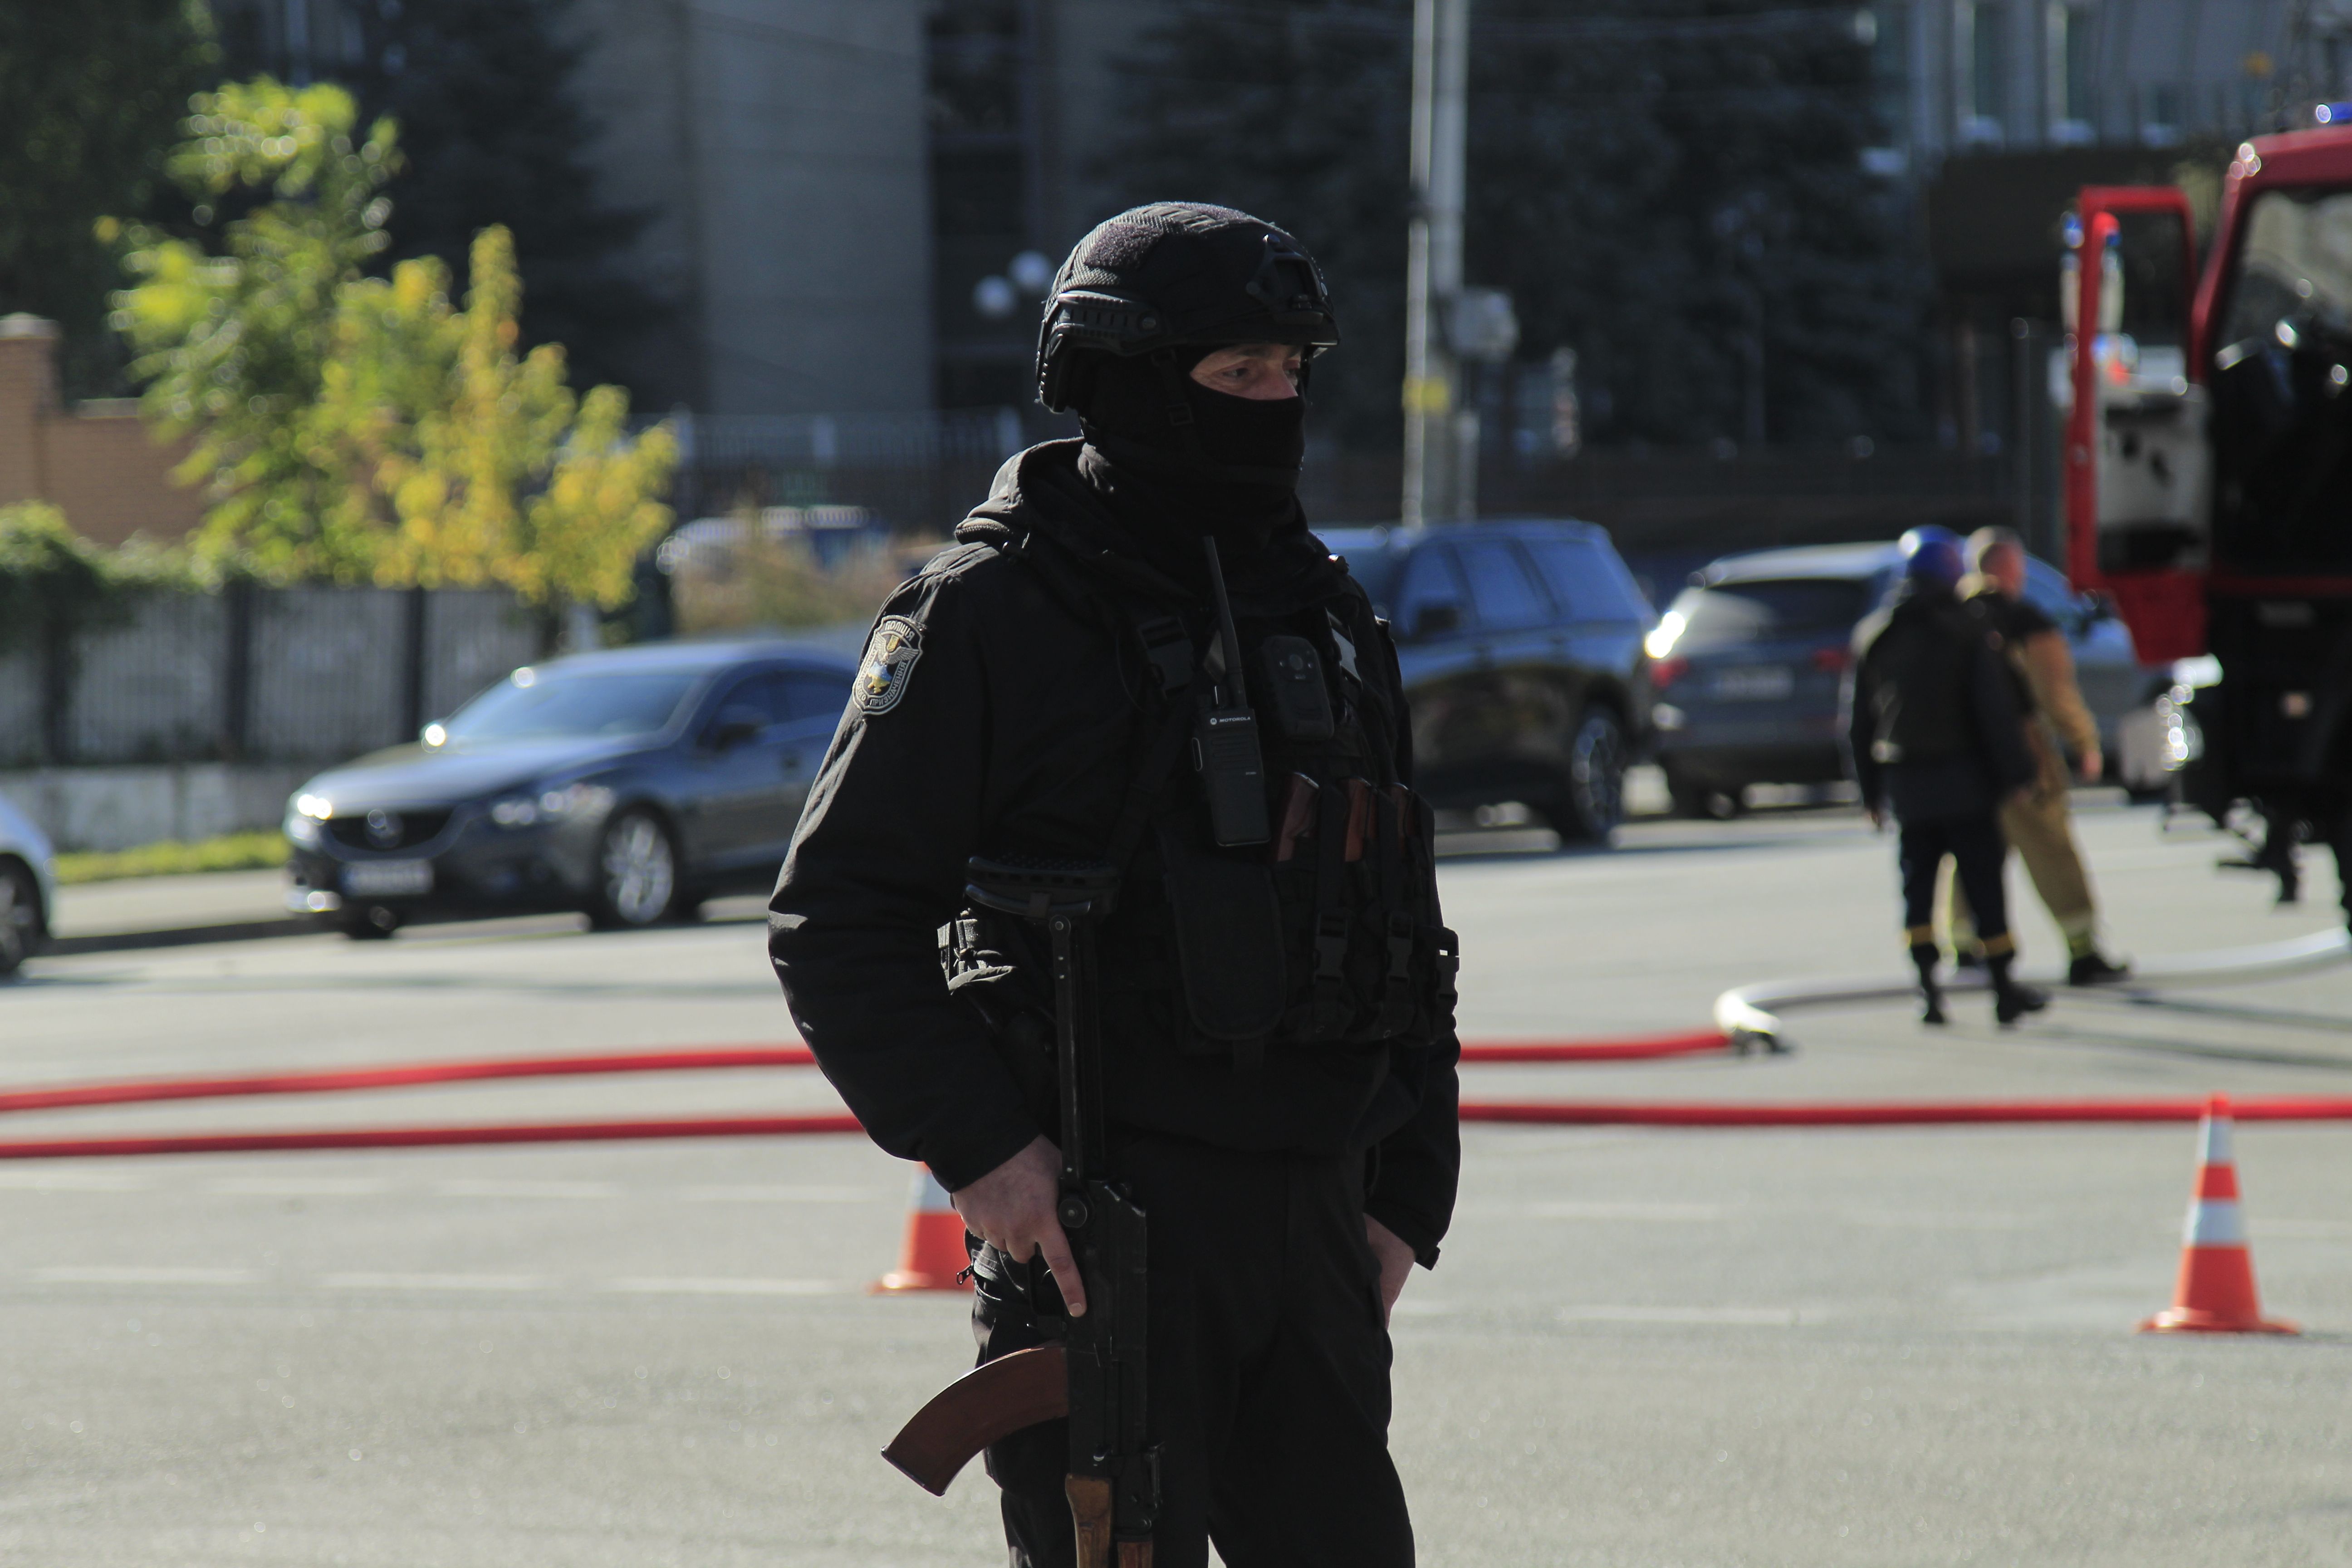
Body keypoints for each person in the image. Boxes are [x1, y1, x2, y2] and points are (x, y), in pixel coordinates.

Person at [768, 202, 1458, 1567]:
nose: (1276, 402)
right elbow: (836, 916)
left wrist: (1406, 1200)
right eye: (1237, 372)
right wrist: (982, 1154)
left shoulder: (1322, 612)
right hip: (1100, 1237)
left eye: (1290, 371)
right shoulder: (991, 613)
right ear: (1127, 382)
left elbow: (1402, 920)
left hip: (1317, 1227)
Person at [1847, 526, 2048, 1027]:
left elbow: (1860, 724)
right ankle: (2004, 991)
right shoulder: (1968, 632)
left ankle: (1928, 992)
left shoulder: (1877, 635)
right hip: (1966, 785)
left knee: (1917, 891)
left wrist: (1869, 793)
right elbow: (1994, 713)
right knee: (1985, 890)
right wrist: (2019, 774)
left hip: (1907, 788)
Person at [1946, 527, 2131, 985]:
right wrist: (2084, 743)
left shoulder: (1949, 619)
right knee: (2051, 850)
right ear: (2011, 569)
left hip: (1964, 759)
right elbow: (2055, 694)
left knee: (1972, 851)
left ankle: (1964, 946)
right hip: (2022, 754)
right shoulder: (2024, 622)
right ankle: (2083, 949)